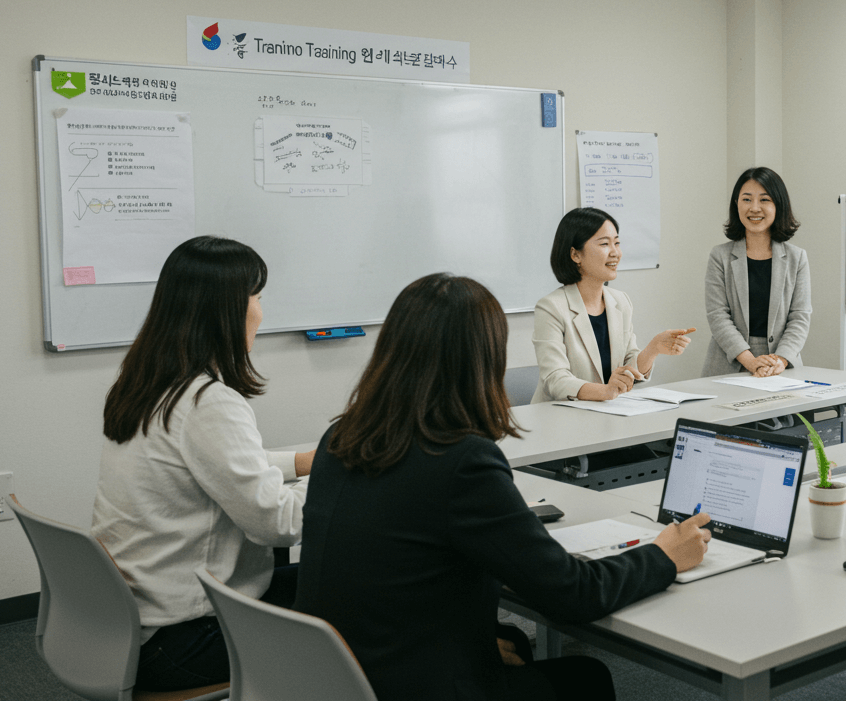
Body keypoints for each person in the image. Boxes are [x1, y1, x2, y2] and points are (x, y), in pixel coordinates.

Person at [294, 273, 711, 701]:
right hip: (414, 684)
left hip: (344, 673)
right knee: (585, 678)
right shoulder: (462, 461)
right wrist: (663, 556)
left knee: (510, 638)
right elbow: (574, 594)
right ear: (483, 359)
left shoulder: (341, 438)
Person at [93, 236, 312, 693]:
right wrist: (343, 476)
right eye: (256, 297)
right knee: (367, 599)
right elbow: (278, 523)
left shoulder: (152, 382)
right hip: (183, 641)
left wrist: (302, 462)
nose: (261, 311)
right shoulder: (208, 402)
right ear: (226, 310)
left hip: (128, 624)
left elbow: (208, 467)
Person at [532, 207, 694, 402]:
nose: (615, 252)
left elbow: (629, 369)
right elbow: (554, 379)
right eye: (604, 244)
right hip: (560, 418)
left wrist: (654, 349)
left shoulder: (620, 301)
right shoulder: (551, 307)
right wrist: (605, 391)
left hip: (607, 413)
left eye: (617, 243)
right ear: (575, 255)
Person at [701, 167, 812, 378]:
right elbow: (718, 316)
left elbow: (800, 317)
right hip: (730, 363)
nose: (754, 208)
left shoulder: (797, 258)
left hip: (780, 365)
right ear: (736, 204)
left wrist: (779, 360)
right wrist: (751, 362)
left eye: (764, 200)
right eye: (746, 199)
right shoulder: (720, 256)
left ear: (778, 205)